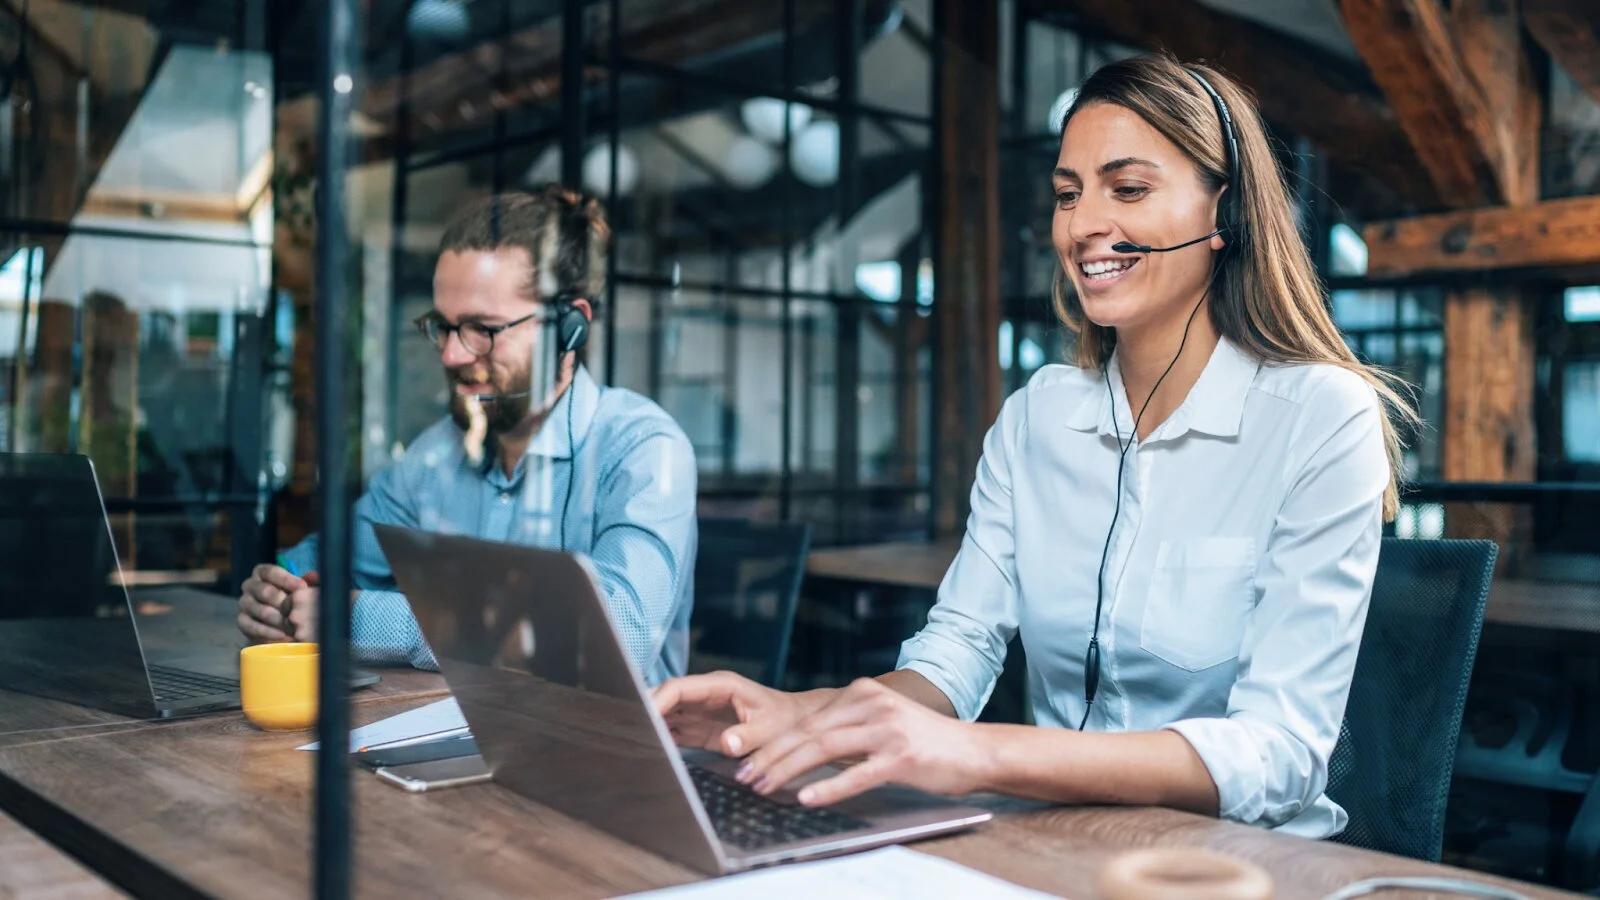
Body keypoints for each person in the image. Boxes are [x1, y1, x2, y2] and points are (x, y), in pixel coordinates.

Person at [654, 55, 1417, 837]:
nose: (1083, 224)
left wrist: (978, 756)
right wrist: (804, 717)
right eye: (1067, 194)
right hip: (1055, 841)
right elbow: (957, 649)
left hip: (1235, 864)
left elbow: (1279, 752)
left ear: (1225, 214)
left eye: (1129, 189)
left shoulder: (1321, 416)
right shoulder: (1037, 417)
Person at [238, 186, 698, 686]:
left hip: (605, 753)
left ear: (570, 327)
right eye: (444, 325)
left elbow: (616, 639)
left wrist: (360, 620)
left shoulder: (642, 450)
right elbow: (327, 562)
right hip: (454, 738)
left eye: (483, 329)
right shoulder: (435, 454)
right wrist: (276, 591)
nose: (452, 355)